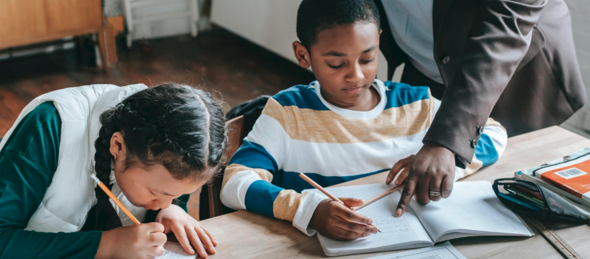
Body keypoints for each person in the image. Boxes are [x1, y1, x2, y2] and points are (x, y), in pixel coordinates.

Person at [220, 0, 508, 241]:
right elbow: (236, 183)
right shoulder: (288, 112)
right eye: (336, 63)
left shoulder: (415, 103)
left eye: (368, 58)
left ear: (379, 41)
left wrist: (443, 161)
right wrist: (308, 209)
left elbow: (495, 133)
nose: (356, 75)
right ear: (303, 55)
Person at [372, 0, 586, 213]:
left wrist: (445, 141)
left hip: (516, 76)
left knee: (526, 195)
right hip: (422, 67)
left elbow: (504, 33)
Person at [0, 83, 226, 258]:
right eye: (158, 193)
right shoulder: (48, 125)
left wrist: (172, 212)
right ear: (117, 146)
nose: (164, 202)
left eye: (175, 195)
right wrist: (108, 245)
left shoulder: (179, 154)